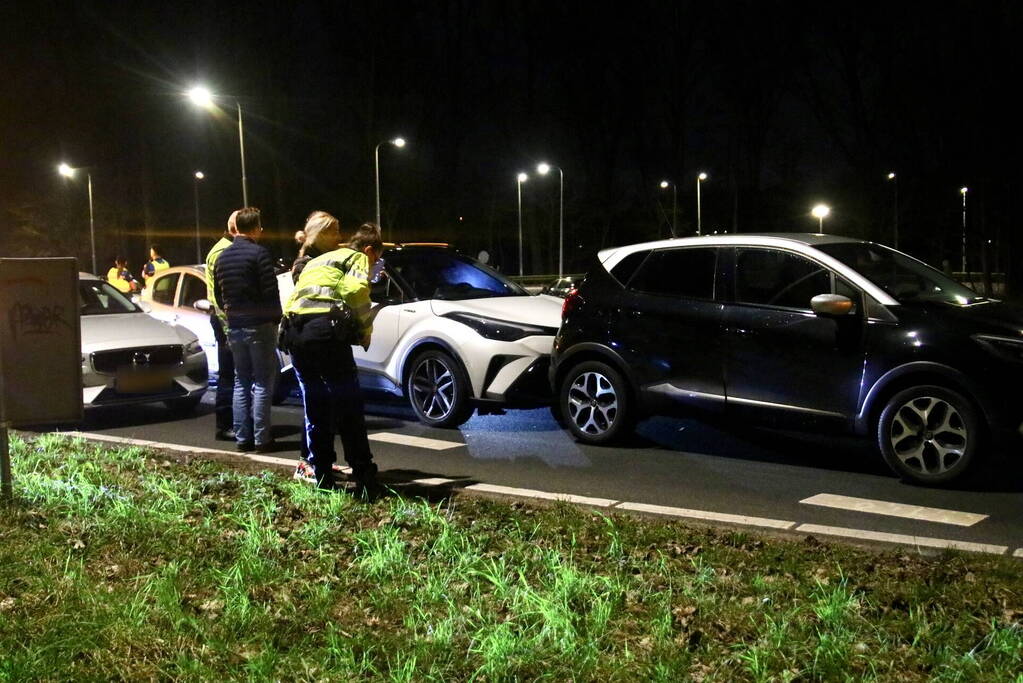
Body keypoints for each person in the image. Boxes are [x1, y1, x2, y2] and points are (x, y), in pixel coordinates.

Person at [283, 219, 381, 495]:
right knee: (348, 408)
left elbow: (295, 298)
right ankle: (365, 479)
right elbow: (355, 291)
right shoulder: (357, 258)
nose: (374, 266)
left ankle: (322, 477)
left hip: (295, 333)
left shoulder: (319, 261)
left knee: (316, 407)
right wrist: (364, 329)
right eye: (377, 260)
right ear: (371, 251)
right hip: (325, 334)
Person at [212, 207, 281, 453]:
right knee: (262, 381)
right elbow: (270, 292)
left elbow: (219, 296)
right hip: (259, 326)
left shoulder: (223, 257)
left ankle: (243, 438)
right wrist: (276, 319)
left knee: (241, 381)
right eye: (260, 226)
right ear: (254, 228)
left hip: (235, 325)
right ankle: (263, 439)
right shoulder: (259, 254)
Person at [205, 211, 239, 441]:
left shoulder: (221, 249)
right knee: (228, 373)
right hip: (225, 320)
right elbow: (221, 295)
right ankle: (225, 424)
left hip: (224, 318)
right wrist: (228, 329)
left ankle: (231, 423)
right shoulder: (223, 252)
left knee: (233, 373)